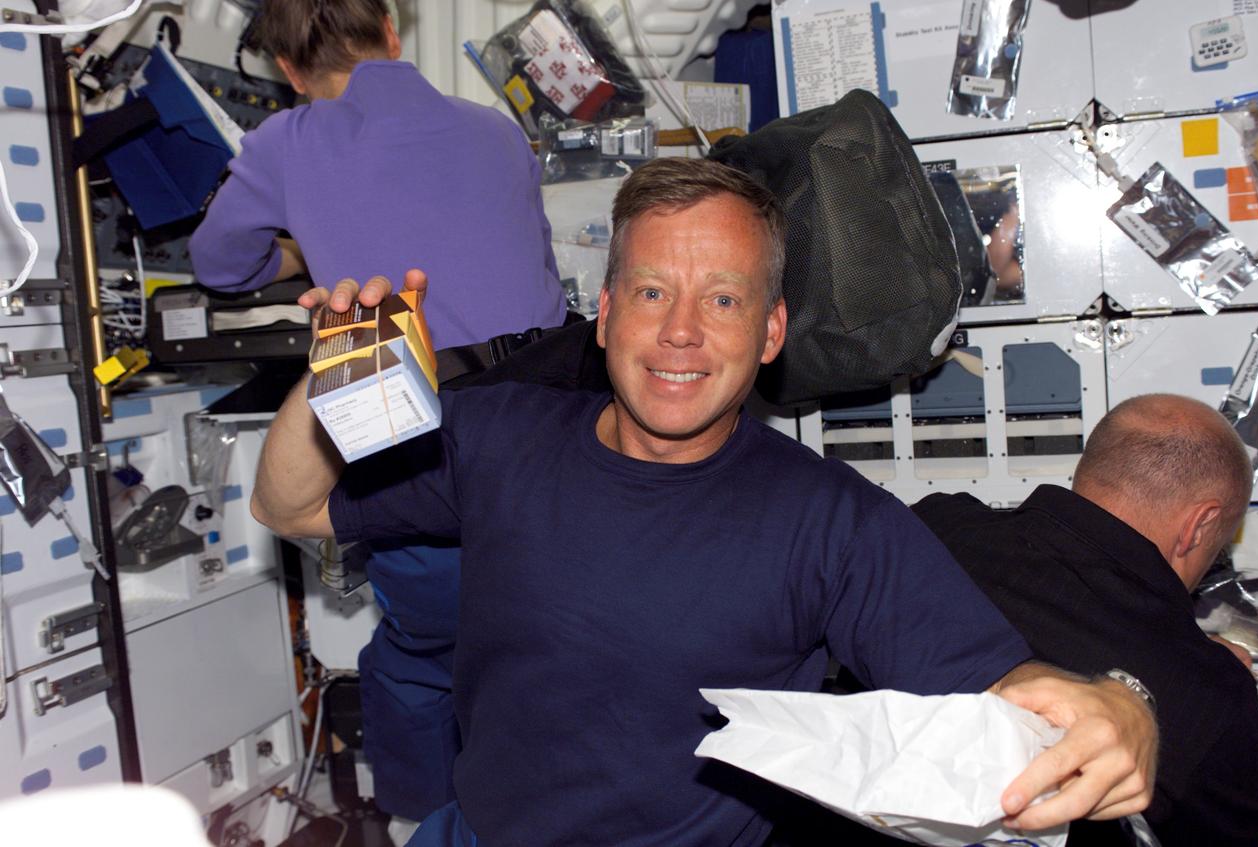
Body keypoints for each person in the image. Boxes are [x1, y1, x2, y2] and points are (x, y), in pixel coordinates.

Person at [251, 158, 1156, 846]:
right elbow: (288, 505)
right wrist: (334, 376)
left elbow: (1017, 697)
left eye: (722, 299)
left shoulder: (831, 524)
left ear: (769, 332)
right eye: (653, 291)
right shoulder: (500, 435)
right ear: (607, 314)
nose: (680, 331)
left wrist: (1125, 704)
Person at [188, 0, 567, 834]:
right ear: (392, 32)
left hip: (423, 440)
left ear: (289, 71)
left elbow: (217, 263)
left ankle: (416, 821)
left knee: (422, 654)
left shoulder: (286, 142)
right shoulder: (497, 130)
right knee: (542, 631)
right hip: (553, 425)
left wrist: (292, 248)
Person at [913, 394, 1258, 846]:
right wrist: (1242, 780)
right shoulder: (1213, 699)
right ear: (1199, 525)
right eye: (1217, 546)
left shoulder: (931, 525)